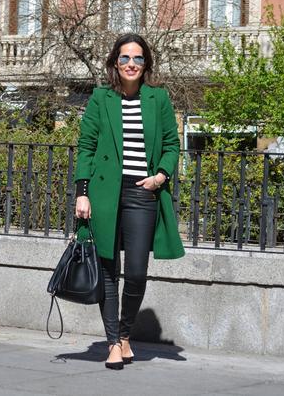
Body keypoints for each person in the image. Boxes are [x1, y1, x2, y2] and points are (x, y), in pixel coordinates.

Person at [74, 33, 185, 370]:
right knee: (108, 269)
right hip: (105, 193)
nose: (131, 64)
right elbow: (86, 147)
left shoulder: (158, 99)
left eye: (138, 59)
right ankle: (112, 342)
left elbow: (171, 144)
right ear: (114, 63)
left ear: (146, 64)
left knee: (136, 272)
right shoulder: (100, 98)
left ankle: (125, 335)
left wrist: (161, 176)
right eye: (124, 58)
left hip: (142, 192)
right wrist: (82, 192)